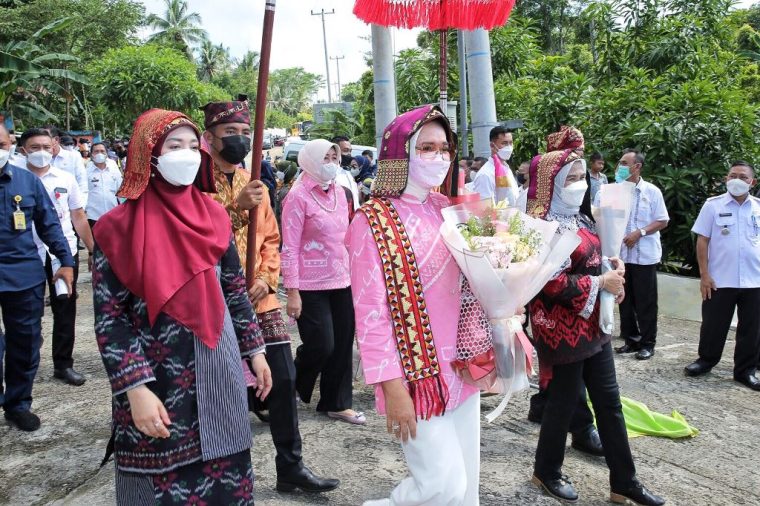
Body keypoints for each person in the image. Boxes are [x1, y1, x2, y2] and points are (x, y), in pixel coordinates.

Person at [92, 109, 272, 505]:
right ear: (148, 155)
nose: (187, 155)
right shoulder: (114, 228)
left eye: (194, 146)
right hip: (156, 375)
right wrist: (134, 388)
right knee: (159, 479)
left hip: (217, 363)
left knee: (227, 475)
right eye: (175, 146)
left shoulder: (213, 217)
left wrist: (254, 351)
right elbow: (110, 319)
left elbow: (234, 290)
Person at [200, 98, 339, 493]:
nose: (240, 140)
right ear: (209, 137)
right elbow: (195, 234)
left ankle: (290, 466)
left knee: (285, 375)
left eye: (246, 133)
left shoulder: (252, 182)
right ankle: (219, 476)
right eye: (231, 134)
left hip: (260, 297)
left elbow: (272, 239)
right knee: (221, 386)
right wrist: (231, 208)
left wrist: (266, 275)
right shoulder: (195, 184)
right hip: (213, 298)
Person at [348, 104, 482, 506]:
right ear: (399, 153)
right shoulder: (370, 221)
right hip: (413, 376)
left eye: (444, 148)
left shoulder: (449, 211)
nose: (439, 157)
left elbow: (477, 280)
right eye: (426, 148)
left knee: (466, 488)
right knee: (441, 486)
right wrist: (392, 389)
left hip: (460, 370)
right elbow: (370, 315)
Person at [526, 148, 665, 506]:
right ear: (549, 184)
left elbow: (595, 259)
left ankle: (625, 482)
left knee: (609, 403)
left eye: (580, 177)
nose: (578, 185)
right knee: (562, 402)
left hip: (593, 325)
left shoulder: (584, 220)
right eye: (569, 179)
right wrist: (600, 284)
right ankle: (547, 470)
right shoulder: (539, 228)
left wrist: (613, 269)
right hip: (562, 328)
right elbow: (550, 284)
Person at [281, 139, 364, 426]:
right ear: (310, 160)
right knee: (321, 345)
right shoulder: (297, 196)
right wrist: (292, 291)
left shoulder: (341, 193)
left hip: (342, 278)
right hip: (309, 283)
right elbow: (289, 247)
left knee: (342, 345)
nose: (331, 163)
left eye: (334, 157)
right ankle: (291, 383)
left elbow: (348, 235)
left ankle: (336, 403)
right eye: (325, 157)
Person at [0, 123, 74, 431]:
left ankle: (18, 403)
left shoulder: (27, 182)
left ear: (10, 144)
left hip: (23, 277)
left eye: (1, 143)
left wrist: (66, 261)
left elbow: (50, 225)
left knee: (25, 343)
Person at [21, 128, 95, 387]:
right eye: (34, 148)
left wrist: (92, 247)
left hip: (62, 254)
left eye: (45, 146)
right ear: (22, 151)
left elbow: (78, 216)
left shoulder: (65, 178)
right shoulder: (16, 180)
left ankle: (63, 364)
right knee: (28, 311)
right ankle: (24, 367)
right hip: (27, 254)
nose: (41, 152)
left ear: (53, 148)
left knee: (65, 308)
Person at [685, 161, 760, 391]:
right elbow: (702, 240)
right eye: (733, 175)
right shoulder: (713, 205)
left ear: (752, 182)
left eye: (743, 177)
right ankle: (706, 360)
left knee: (752, 329)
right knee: (713, 324)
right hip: (719, 278)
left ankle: (745, 371)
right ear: (726, 179)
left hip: (754, 279)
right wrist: (704, 274)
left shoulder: (758, 207)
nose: (737, 180)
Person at [611, 149, 669, 360]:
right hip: (622, 256)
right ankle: (631, 340)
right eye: (619, 162)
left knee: (646, 302)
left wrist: (640, 232)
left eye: (624, 163)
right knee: (625, 300)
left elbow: (662, 220)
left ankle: (647, 343)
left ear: (637, 166)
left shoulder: (652, 191)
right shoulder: (615, 191)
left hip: (644, 255)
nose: (620, 167)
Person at [469, 126, 520, 204]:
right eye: (504, 143)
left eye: (511, 143)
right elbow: (485, 208)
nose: (509, 147)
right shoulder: (485, 174)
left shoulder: (506, 169)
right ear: (492, 146)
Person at [44, 126, 88, 206]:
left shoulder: (73, 156)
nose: (42, 141)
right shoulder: (40, 158)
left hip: (69, 207)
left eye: (45, 137)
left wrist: (80, 207)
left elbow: (82, 183)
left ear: (56, 140)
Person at [86, 141, 123, 230]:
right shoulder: (86, 170)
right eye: (96, 151)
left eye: (102, 151)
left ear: (107, 153)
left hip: (112, 213)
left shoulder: (113, 168)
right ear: (91, 154)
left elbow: (120, 190)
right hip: (93, 216)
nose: (99, 154)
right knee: (96, 242)